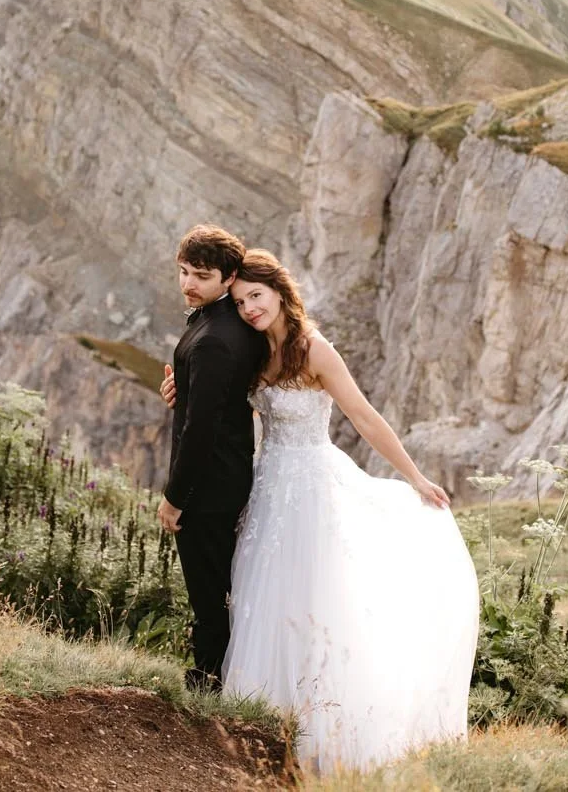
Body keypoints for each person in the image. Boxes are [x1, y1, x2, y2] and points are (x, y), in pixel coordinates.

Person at [162, 247, 477, 774]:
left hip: (312, 486)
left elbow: (366, 418)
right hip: (267, 488)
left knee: (313, 600)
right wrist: (176, 385)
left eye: (256, 297)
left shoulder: (314, 350)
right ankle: (259, 716)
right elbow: (211, 394)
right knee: (260, 596)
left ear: (282, 295)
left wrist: (415, 476)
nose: (248, 309)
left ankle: (320, 729)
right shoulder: (252, 351)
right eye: (240, 302)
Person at [158, 223, 263, 691]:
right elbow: (207, 403)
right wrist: (180, 390)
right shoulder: (214, 320)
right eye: (183, 272)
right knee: (214, 584)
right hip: (221, 473)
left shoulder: (218, 337)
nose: (188, 284)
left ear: (228, 277)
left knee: (208, 590)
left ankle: (209, 683)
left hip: (209, 485)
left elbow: (201, 431)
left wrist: (175, 498)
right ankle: (214, 676)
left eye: (200, 275)